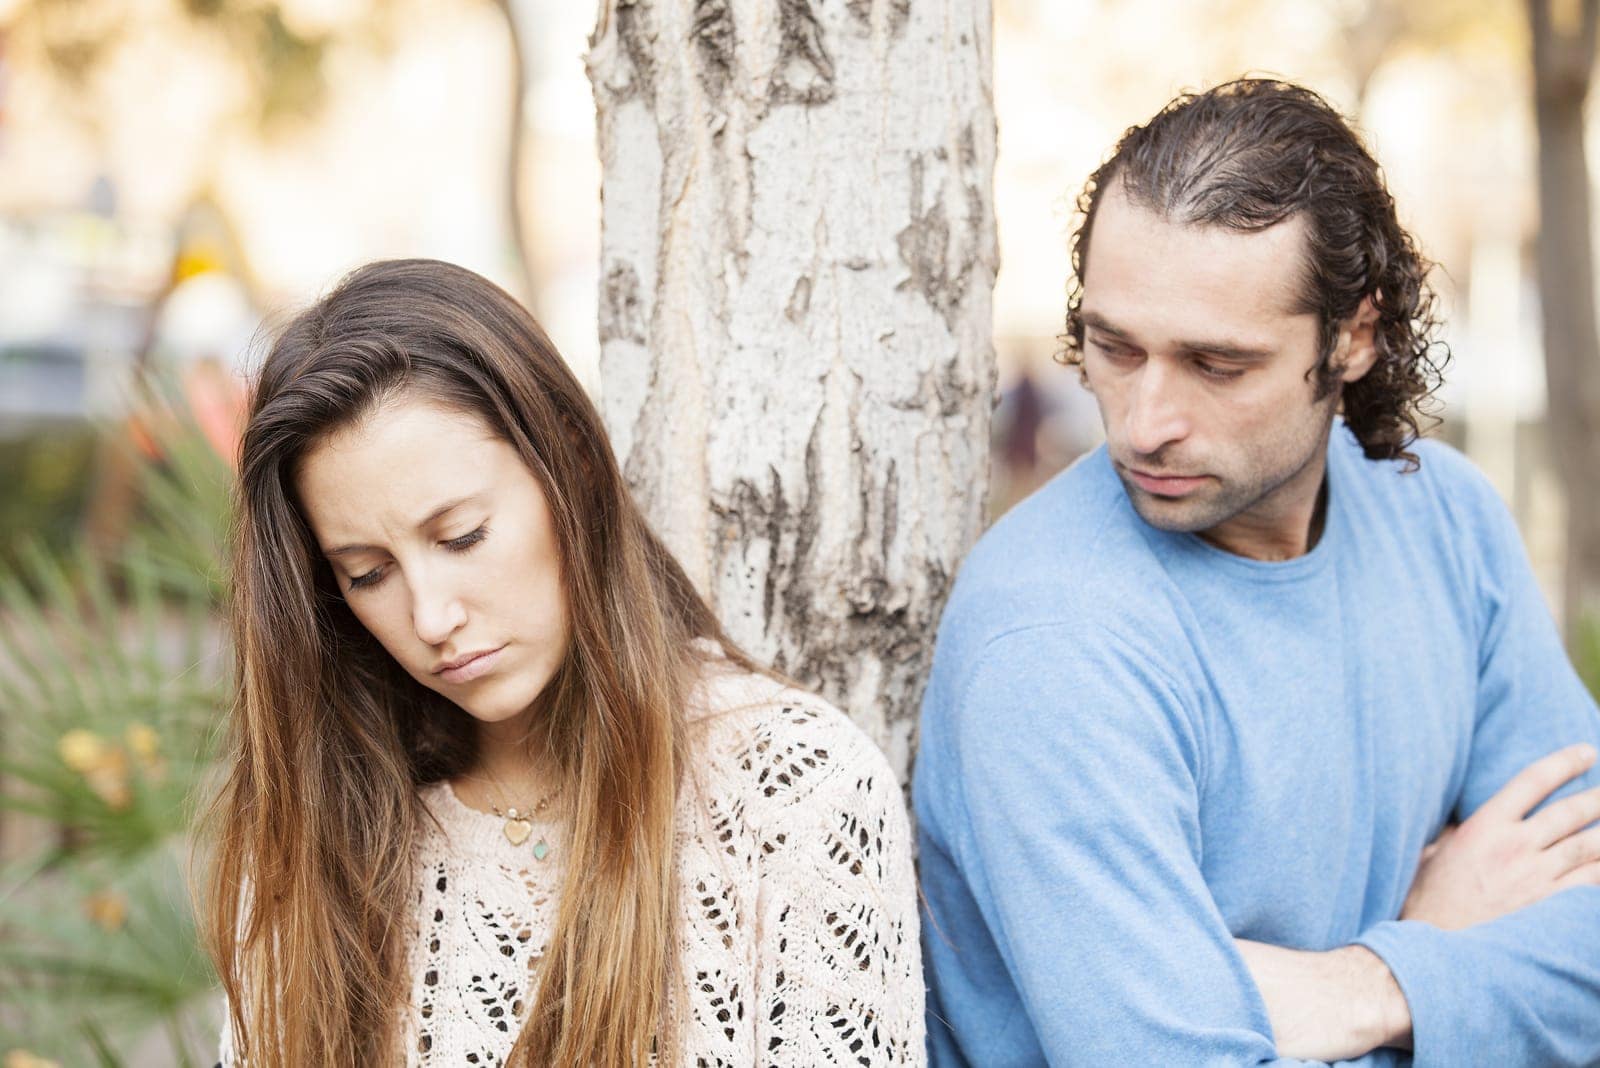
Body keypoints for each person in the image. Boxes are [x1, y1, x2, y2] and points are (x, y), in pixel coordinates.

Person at [914, 79, 1600, 1067]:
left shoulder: (1445, 520)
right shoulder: (1052, 641)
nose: (1143, 421)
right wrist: (1430, 962)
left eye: (1216, 365)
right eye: (1114, 347)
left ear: (1352, 337)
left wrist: (1365, 986)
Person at [200, 258, 923, 1067]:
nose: (432, 617)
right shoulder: (316, 829)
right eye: (368, 573)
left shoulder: (794, 793)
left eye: (462, 536)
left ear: (570, 462)